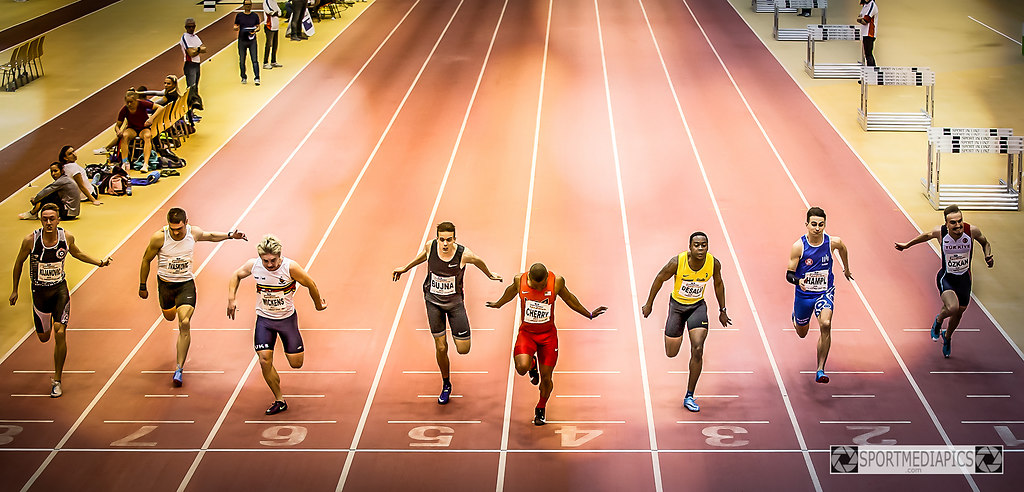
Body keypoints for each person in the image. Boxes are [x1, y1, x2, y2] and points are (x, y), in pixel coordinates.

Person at [392, 222, 502, 404]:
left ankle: (456, 331)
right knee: (441, 347)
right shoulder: (431, 246)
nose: (444, 244)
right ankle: (446, 383)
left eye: (448, 240)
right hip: (433, 302)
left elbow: (478, 261)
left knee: (463, 349)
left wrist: (489, 274)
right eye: (441, 239)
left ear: (454, 240)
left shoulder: (463, 255)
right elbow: (423, 256)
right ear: (437, 238)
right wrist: (405, 268)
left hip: (454, 305)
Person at [10, 203, 112, 397]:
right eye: (45, 219)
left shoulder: (67, 237)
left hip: (59, 290)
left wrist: (99, 262)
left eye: (52, 219)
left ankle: (57, 379)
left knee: (60, 332)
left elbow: (78, 253)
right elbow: (18, 263)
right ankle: (45, 324)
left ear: (58, 220)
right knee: (44, 337)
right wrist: (15, 290)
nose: (48, 223)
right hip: (39, 293)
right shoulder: (31, 240)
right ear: (41, 220)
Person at [487, 263, 607, 426]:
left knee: (546, 378)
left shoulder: (556, 282)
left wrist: (589, 314)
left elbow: (570, 299)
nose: (541, 288)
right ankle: (532, 364)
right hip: (527, 334)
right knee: (522, 368)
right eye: (538, 286)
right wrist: (499, 303)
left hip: (548, 337)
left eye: (543, 285)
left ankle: (541, 407)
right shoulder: (519, 281)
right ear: (529, 279)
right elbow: (510, 292)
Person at [140, 208, 247, 386]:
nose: (176, 232)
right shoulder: (159, 238)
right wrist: (142, 285)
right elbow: (145, 260)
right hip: (165, 286)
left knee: (184, 323)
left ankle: (179, 369)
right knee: (169, 316)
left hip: (185, 285)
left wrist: (230, 235)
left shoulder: (193, 233)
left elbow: (210, 235)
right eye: (172, 229)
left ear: (186, 222)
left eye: (179, 229)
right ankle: (172, 309)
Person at [228, 235, 326, 415]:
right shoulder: (254, 265)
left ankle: (290, 352)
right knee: (264, 360)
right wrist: (231, 299)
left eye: (273, 260)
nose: (270, 265)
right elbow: (236, 275)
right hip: (264, 320)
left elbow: (310, 283)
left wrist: (318, 303)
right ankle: (279, 399)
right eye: (266, 261)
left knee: (296, 364)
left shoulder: (291, 268)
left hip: (287, 319)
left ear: (280, 256)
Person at [641, 231, 730, 412]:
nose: (700, 248)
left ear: (707, 246)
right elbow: (659, 278)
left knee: (697, 348)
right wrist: (649, 303)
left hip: (697, 307)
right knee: (671, 352)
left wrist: (722, 310)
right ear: (690, 247)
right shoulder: (677, 262)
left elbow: (718, 284)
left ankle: (689, 395)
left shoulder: (713, 264)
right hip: (677, 307)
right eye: (696, 245)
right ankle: (676, 331)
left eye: (703, 245)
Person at [895, 205, 993, 358]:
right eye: (953, 222)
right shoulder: (940, 233)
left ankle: (947, 337)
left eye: (960, 221)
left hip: (965, 280)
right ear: (946, 224)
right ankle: (939, 320)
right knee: (952, 308)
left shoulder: (971, 231)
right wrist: (907, 245)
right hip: (946, 278)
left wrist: (988, 256)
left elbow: (985, 243)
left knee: (958, 314)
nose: (958, 225)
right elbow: (925, 236)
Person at [785, 207, 852, 383]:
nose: (817, 228)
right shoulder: (798, 246)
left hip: (825, 291)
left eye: (821, 225)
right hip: (804, 295)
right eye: (813, 224)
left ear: (825, 225)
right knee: (802, 333)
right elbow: (789, 274)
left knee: (826, 324)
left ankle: (820, 369)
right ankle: (795, 318)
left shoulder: (832, 242)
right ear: (806, 224)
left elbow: (843, 249)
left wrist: (846, 268)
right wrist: (798, 281)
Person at [115, 89, 162, 166]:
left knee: (147, 136)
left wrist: (151, 118)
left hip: (143, 128)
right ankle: (125, 163)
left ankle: (146, 163)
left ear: (136, 101)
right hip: (132, 129)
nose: (129, 104)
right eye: (127, 102)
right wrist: (118, 131)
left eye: (131, 102)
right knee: (124, 136)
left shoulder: (142, 104)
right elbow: (117, 125)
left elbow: (160, 107)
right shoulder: (124, 109)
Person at [181, 18, 206, 111]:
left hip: (196, 64)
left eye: (193, 26)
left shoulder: (195, 37)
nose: (191, 28)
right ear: (186, 27)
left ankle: (193, 111)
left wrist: (196, 49)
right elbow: (190, 53)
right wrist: (198, 49)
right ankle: (188, 111)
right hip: (190, 64)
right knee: (190, 90)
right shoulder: (185, 37)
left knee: (195, 89)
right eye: (189, 27)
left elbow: (205, 48)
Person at [235, 0, 261, 86]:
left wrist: (255, 30)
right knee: (242, 60)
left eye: (249, 4)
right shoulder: (239, 16)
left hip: (252, 40)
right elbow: (236, 25)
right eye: (246, 5)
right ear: (243, 5)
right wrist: (236, 28)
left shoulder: (255, 16)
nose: (248, 6)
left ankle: (257, 77)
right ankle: (243, 77)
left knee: (254, 60)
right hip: (242, 40)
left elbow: (258, 27)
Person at [263, 0, 283, 70]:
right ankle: (265, 63)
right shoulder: (266, 2)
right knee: (268, 44)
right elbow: (269, 12)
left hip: (275, 26)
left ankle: (273, 61)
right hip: (269, 26)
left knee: (275, 44)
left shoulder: (274, 2)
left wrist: (277, 13)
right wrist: (275, 13)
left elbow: (280, 12)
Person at [856, 0, 878, 66]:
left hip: (869, 33)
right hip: (864, 33)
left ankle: (871, 71)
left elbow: (865, 20)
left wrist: (860, 20)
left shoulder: (872, 5)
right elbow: (860, 17)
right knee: (867, 54)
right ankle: (870, 70)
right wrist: (860, 19)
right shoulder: (865, 5)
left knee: (868, 54)